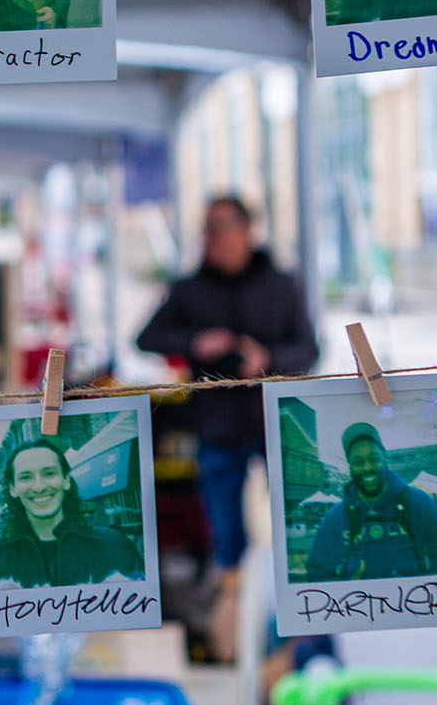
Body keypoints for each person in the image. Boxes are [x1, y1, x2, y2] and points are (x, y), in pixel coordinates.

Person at [136, 196, 319, 573]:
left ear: (246, 230)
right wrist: (195, 342)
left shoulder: (283, 284)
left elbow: (309, 349)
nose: (212, 239)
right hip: (217, 427)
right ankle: (230, 614)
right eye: (207, 230)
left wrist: (266, 359)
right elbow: (145, 338)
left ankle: (308, 619)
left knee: (302, 531)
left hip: (278, 423)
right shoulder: (188, 288)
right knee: (226, 541)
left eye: (220, 228)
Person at [0, 434, 143, 590]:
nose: (39, 486)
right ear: (13, 489)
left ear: (66, 480)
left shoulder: (116, 546)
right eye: (26, 477)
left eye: (49, 473)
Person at [303, 423, 437, 581]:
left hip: (414, 605)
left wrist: (426, 591)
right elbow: (318, 570)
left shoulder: (418, 502)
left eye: (374, 459)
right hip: (357, 607)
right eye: (359, 462)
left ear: (385, 459)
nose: (367, 467)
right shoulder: (336, 517)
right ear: (350, 466)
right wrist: (344, 596)